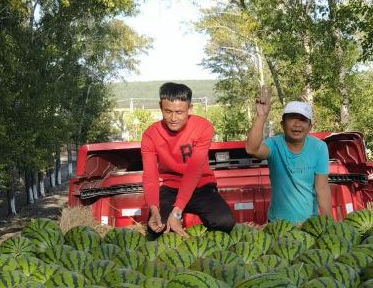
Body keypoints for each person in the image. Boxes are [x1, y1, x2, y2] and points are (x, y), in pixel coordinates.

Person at [141, 82, 235, 238]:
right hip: (170, 188)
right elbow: (150, 176)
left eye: (179, 112)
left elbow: (194, 171)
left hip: (201, 185)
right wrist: (154, 209)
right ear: (160, 106)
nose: (173, 118)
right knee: (157, 229)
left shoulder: (203, 127)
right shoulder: (150, 134)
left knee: (224, 222)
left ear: (190, 109)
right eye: (168, 111)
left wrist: (177, 212)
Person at [245, 90, 332, 223]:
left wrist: (329, 223)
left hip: (309, 224)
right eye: (291, 118)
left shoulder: (319, 147)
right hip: (277, 224)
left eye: (303, 120)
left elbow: (322, 188)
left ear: (310, 127)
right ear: (282, 124)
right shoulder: (274, 144)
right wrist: (261, 116)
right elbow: (252, 149)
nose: (297, 124)